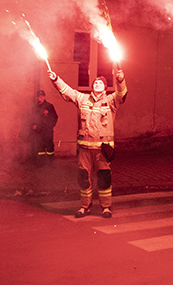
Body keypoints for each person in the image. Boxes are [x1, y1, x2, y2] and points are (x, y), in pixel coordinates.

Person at [48, 68, 127, 219]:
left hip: (103, 150)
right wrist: (55, 79)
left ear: (105, 87)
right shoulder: (83, 99)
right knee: (83, 177)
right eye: (95, 82)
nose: (97, 84)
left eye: (100, 83)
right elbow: (67, 91)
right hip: (85, 149)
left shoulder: (111, 101)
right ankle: (85, 206)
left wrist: (120, 80)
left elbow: (121, 95)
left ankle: (106, 207)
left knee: (104, 178)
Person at [30, 89, 58, 158]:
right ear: (37, 97)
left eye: (42, 96)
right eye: (39, 97)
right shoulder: (35, 108)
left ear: (44, 96)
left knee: (49, 147)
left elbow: (55, 117)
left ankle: (50, 162)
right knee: (40, 148)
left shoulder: (49, 106)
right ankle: (41, 163)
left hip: (47, 131)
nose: (41, 98)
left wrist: (50, 126)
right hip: (39, 131)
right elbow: (33, 117)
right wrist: (33, 125)